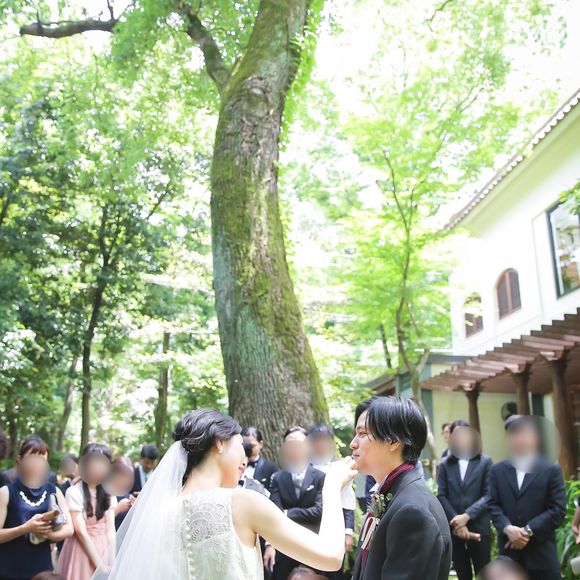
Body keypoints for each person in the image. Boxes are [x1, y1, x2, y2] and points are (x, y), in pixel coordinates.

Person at [93, 408, 356, 580]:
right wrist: (332, 486)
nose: (244, 459)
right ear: (219, 442)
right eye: (240, 445)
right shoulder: (242, 503)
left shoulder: (157, 514)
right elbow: (330, 557)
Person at [350, 396, 451, 580]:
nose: (353, 443)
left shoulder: (412, 511)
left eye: (363, 434)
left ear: (393, 441)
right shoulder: (392, 494)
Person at [487, 415, 566, 580]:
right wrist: (507, 528)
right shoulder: (497, 470)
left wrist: (526, 531)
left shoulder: (551, 469)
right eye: (512, 434)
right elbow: (492, 504)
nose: (517, 439)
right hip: (509, 556)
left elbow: (557, 510)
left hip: (542, 556)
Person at [0, 436, 73, 579]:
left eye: (42, 460)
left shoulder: (55, 491)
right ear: (19, 459)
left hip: (42, 570)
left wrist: (46, 534)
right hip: (8, 570)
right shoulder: (6, 492)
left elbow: (70, 528)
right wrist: (26, 528)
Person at [269, 426, 327, 580]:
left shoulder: (320, 477)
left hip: (314, 544)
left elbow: (319, 511)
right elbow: (275, 513)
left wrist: (287, 513)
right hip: (285, 545)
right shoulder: (277, 478)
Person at [437, 420, 493, 580]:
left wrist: (466, 516)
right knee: (463, 574)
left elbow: (489, 495)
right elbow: (441, 495)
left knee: (484, 573)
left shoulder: (485, 462)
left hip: (479, 527)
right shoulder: (445, 464)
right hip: (454, 529)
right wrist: (457, 521)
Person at [57, 443, 117, 579]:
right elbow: (81, 532)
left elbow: (110, 528)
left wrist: (112, 559)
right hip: (81, 551)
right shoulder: (74, 492)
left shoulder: (109, 492)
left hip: (104, 547)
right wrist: (99, 564)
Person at [307, 423, 356, 578]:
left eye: (324, 439)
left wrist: (348, 532)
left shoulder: (339, 467)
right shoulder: (302, 468)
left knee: (334, 572)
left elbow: (348, 502)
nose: (320, 444)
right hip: (310, 530)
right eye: (316, 440)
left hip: (336, 528)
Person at [241, 426, 278, 492]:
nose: (249, 450)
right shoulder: (233, 466)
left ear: (260, 444)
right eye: (245, 446)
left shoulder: (270, 468)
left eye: (252, 446)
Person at [107, 457, 136, 530]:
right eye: (123, 475)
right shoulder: (100, 494)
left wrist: (136, 509)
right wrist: (117, 509)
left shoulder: (129, 498)